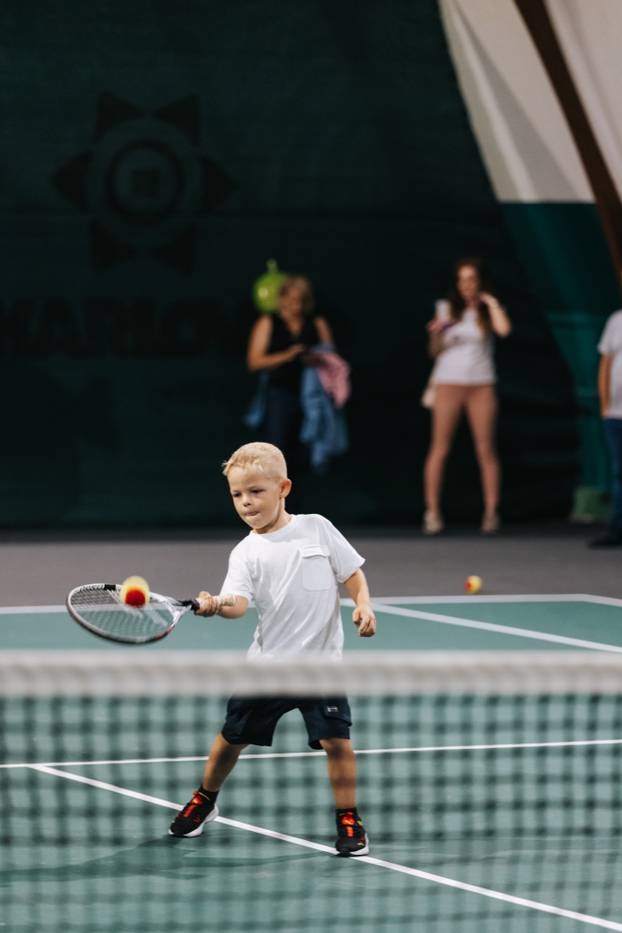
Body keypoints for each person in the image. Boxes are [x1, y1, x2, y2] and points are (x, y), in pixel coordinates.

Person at [168, 441, 376, 856]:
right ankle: (206, 799)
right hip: (267, 670)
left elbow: (351, 572)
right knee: (231, 739)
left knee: (338, 743)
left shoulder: (317, 527)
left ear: (284, 488)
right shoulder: (245, 553)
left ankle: (348, 817)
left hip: (322, 669)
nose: (246, 502)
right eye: (237, 495)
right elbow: (238, 604)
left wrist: (363, 603)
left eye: (256, 492)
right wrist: (215, 605)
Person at [422, 258, 511, 535]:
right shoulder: (446, 308)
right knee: (440, 448)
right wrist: (436, 334)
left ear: (480, 281)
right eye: (462, 280)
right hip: (449, 383)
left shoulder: (489, 310)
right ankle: (432, 512)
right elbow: (434, 351)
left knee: (486, 449)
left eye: (472, 279)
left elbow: (504, 331)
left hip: (482, 385)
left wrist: (491, 303)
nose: (467, 285)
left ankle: (491, 512)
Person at [246, 276, 335, 488]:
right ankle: (274, 506)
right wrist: (287, 356)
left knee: (307, 449)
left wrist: (314, 358)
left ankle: (297, 506)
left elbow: (332, 360)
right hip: (280, 393)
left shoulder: (316, 323)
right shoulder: (269, 322)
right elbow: (254, 361)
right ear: (282, 299)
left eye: (301, 300)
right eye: (292, 299)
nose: (296, 305)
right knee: (276, 449)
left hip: (312, 397)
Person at [589, 308, 622, 547]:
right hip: (615, 413)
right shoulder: (616, 320)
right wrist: (604, 403)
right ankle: (617, 527)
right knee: (618, 472)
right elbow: (606, 363)